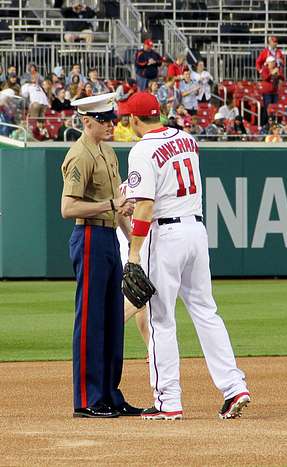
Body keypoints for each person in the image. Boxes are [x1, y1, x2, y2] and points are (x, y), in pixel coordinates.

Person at [117, 92, 250, 420]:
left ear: (134, 120)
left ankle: (168, 402)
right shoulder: (187, 138)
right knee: (206, 312)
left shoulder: (142, 149)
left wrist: (134, 254)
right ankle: (234, 388)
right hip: (195, 231)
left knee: (160, 318)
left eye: (127, 118)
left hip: (166, 237)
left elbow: (146, 206)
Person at [59, 93, 141, 418]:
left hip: (107, 238)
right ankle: (87, 399)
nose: (111, 124)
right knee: (91, 320)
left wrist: (134, 244)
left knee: (111, 321)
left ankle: (109, 394)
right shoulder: (79, 155)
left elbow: (119, 204)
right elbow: (68, 208)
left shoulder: (107, 152)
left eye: (112, 119)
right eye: (105, 119)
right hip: (89, 235)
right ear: (86, 120)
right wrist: (111, 206)